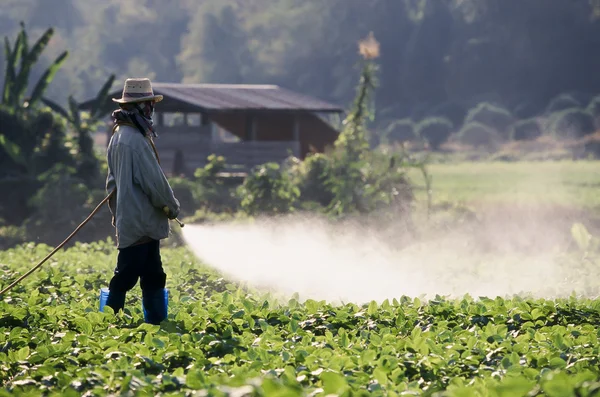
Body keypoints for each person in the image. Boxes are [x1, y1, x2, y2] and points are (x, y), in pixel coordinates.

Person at [104, 77, 180, 324]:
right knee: (126, 274)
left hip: (137, 219)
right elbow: (154, 182)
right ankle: (109, 321)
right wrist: (172, 206)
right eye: (148, 105)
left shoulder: (118, 135)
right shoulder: (135, 140)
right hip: (140, 220)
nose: (151, 110)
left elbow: (111, 184)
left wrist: (118, 212)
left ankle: (156, 321)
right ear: (139, 107)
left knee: (154, 274)